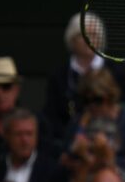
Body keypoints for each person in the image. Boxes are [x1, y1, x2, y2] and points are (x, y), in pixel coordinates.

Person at [61, 68, 125, 182]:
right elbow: (65, 157)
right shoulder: (79, 121)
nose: (91, 106)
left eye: (97, 100)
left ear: (109, 96)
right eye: (86, 101)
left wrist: (107, 160)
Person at [43, 12, 106, 146]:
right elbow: (51, 117)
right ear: (71, 40)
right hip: (67, 142)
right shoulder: (59, 75)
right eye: (82, 35)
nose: (89, 40)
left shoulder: (116, 71)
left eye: (94, 34)